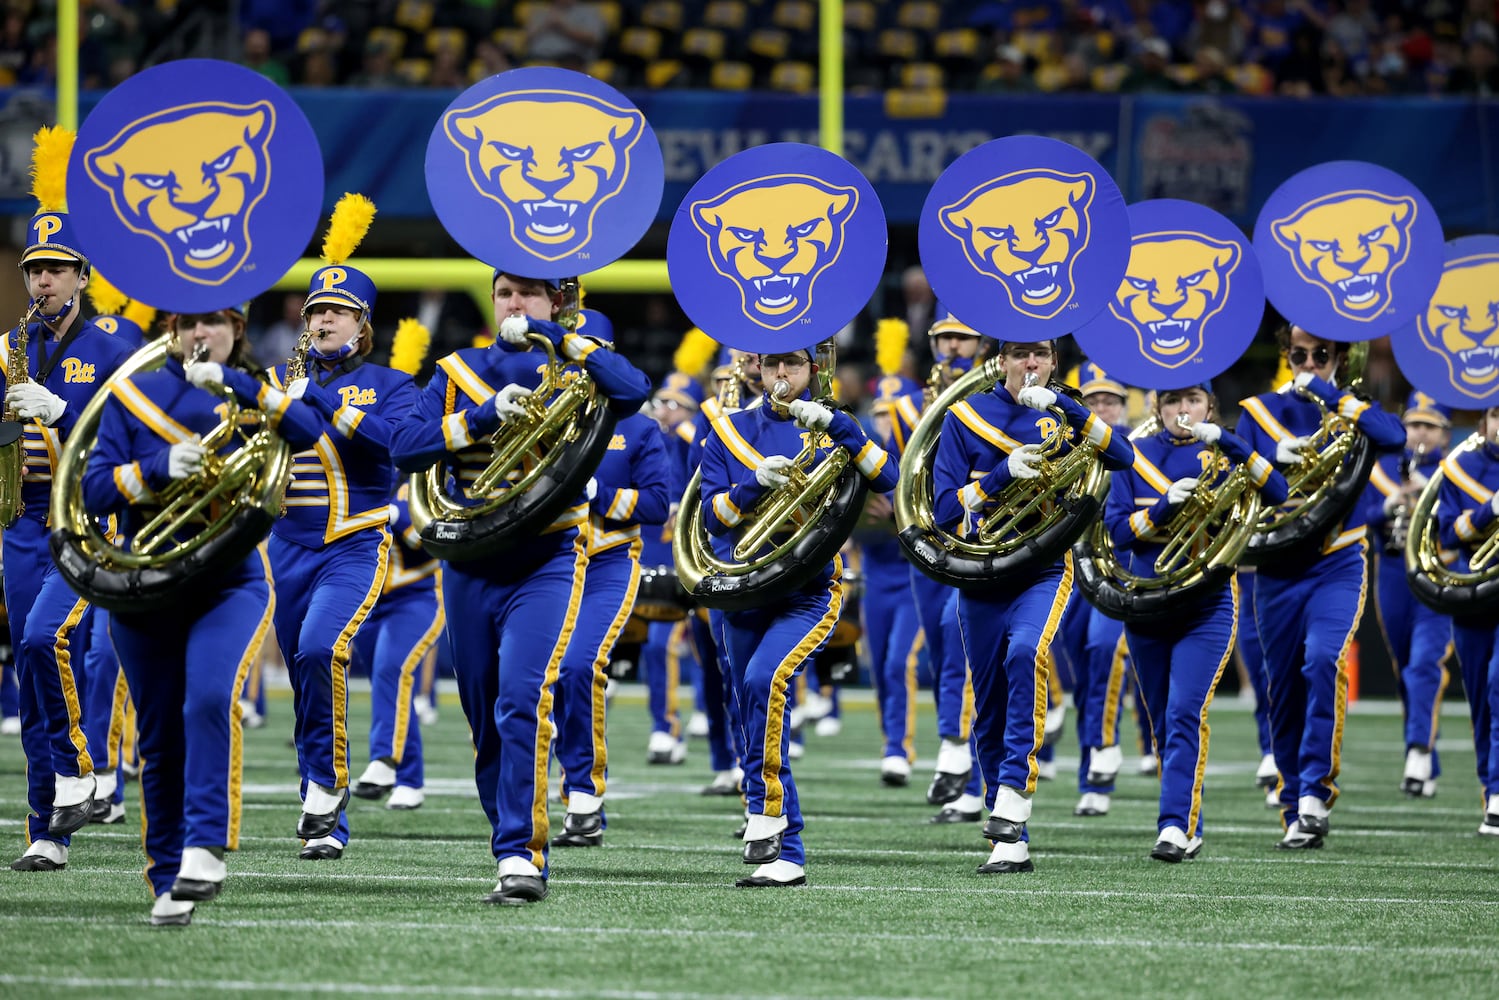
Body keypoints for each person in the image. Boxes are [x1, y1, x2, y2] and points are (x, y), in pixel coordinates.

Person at [390, 272, 650, 905]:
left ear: (555, 303)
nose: (515, 305)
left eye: (529, 296)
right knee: (483, 717)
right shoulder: (458, 369)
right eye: (506, 295)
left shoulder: (580, 368)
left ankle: (520, 855)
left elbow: (636, 390)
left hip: (549, 559)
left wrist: (566, 343)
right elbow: (404, 447)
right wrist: (479, 418)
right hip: (470, 560)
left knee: (519, 700)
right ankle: (507, 835)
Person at [80, 305, 323, 924]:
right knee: (158, 736)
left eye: (214, 323)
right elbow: (92, 489)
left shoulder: (256, 389)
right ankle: (167, 877)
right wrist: (156, 470)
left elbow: (306, 430)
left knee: (210, 698)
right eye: (189, 324)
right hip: (146, 582)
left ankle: (204, 846)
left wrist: (236, 385)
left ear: (237, 330)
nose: (200, 334)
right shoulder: (133, 393)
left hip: (227, 582)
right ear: (173, 331)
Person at [930, 338, 1135, 873]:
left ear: (1052, 362)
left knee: (1026, 653)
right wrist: (998, 478)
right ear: (1002, 360)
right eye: (1020, 354)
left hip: (1043, 567)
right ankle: (1009, 841)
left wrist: (1068, 408)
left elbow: (1122, 456)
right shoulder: (964, 416)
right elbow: (941, 509)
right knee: (989, 704)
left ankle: (1014, 797)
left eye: (1040, 355)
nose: (1030, 364)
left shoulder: (1067, 413)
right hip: (980, 570)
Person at [697, 345, 899, 887]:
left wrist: (841, 428)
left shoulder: (836, 423)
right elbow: (711, 519)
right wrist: (751, 485)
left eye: (791, 364)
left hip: (810, 590)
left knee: (765, 680)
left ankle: (766, 816)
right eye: (769, 365)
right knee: (750, 709)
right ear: (757, 370)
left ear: (814, 369)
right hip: (743, 589)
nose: (780, 374)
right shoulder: (728, 428)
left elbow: (889, 478)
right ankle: (787, 848)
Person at [267, 230, 417, 861]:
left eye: (338, 311)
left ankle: (326, 789)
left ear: (363, 324)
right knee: (304, 675)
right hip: (284, 547)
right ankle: (324, 811)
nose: (324, 319)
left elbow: (401, 445)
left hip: (354, 544)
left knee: (321, 648)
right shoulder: (274, 377)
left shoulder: (392, 382)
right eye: (315, 311)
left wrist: (322, 401)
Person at [1104, 383, 1288, 860]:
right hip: (1145, 602)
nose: (1182, 410)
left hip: (1206, 605)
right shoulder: (1133, 454)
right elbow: (1119, 530)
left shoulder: (1227, 453)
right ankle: (1190, 821)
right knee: (1163, 718)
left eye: (1192, 401)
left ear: (1209, 407)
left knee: (1185, 711)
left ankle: (1172, 827)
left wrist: (1227, 441)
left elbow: (1277, 490)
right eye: (1172, 401)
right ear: (1157, 406)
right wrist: (1165, 507)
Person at [1238, 325, 1404, 849]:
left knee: (1323, 659)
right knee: (1282, 688)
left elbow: (1394, 438)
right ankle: (1293, 807)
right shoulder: (1258, 409)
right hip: (1277, 566)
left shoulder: (1350, 407)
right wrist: (1267, 467)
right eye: (1301, 354)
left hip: (1337, 559)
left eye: (1322, 354)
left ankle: (1316, 791)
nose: (1310, 362)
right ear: (1287, 355)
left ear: (1339, 358)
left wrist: (1335, 398)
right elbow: (1235, 476)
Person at [5, 201, 134, 871]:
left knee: (42, 638)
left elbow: (136, 423)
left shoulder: (117, 339)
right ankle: (47, 832)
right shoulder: (10, 349)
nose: (43, 282)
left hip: (86, 518)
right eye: (34, 270)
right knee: (32, 673)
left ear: (83, 275)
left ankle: (84, 774)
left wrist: (59, 408)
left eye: (56, 269)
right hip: (22, 522)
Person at [550, 308, 671, 848]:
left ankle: (584, 794)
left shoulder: (640, 426)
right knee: (532, 680)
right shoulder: (539, 414)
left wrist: (600, 496)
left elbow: (659, 504)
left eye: (591, 349)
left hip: (607, 559)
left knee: (579, 667)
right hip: (545, 560)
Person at [887, 312, 989, 822]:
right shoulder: (905, 406)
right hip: (923, 537)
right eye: (944, 337)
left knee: (960, 636)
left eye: (962, 337)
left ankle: (953, 747)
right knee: (941, 645)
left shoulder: (990, 399)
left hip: (978, 534)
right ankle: (968, 776)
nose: (953, 346)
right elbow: (887, 470)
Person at [1363, 391, 1453, 798]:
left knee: (1423, 664)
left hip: (1439, 575)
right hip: (1394, 573)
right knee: (1405, 667)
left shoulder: (1456, 471)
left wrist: (1427, 496)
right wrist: (1389, 504)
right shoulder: (1383, 468)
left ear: (1445, 435)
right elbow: (1357, 517)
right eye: (1414, 424)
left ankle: (1417, 750)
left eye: (1429, 426)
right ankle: (1425, 758)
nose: (1420, 433)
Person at [1064, 361, 1136, 819]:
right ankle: (1090, 765)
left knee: (1104, 651)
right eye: (1092, 401)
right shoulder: (1068, 444)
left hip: (1115, 569)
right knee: (1076, 670)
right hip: (1073, 567)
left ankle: (1102, 756)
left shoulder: (1135, 448)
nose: (1102, 408)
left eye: (1110, 400)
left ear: (1124, 407)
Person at [1436, 404, 1499, 835]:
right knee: (1479, 693)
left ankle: (1498, 791)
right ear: (1485, 422)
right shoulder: (1461, 467)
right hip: (1474, 590)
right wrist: (1489, 510)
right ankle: (1489, 786)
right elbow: (1444, 534)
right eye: (1498, 415)